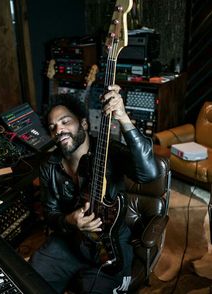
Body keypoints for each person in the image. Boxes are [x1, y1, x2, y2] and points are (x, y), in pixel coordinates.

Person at [29, 84, 161, 294]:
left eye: (65, 122)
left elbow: (149, 173)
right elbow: (50, 214)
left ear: (83, 123)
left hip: (111, 244)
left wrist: (123, 118)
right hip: (71, 241)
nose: (59, 130)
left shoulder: (111, 151)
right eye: (52, 126)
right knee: (31, 276)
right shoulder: (49, 167)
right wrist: (69, 220)